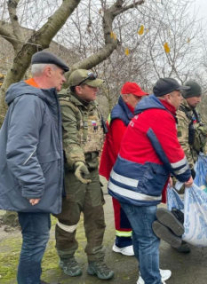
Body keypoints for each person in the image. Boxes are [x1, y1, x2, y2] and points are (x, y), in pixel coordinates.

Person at [108, 77, 193, 284]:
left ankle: (147, 273)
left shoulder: (146, 112)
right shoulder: (159, 115)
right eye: (179, 94)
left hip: (126, 185)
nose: (181, 98)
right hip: (138, 188)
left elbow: (153, 151)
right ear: (168, 96)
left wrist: (168, 178)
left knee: (140, 235)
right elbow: (172, 151)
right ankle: (150, 279)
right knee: (149, 238)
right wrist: (186, 176)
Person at [0, 51, 68, 284]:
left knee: (37, 238)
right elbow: (20, 148)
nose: (64, 79)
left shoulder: (37, 99)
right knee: (36, 240)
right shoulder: (30, 100)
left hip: (35, 188)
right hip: (32, 190)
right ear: (48, 71)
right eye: (61, 73)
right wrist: (33, 186)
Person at [54, 69, 114, 280]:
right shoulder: (64, 106)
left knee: (96, 217)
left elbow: (101, 135)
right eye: (92, 86)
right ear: (78, 88)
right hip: (72, 172)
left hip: (92, 170)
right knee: (68, 219)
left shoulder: (93, 106)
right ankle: (66, 256)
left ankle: (96, 260)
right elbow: (69, 137)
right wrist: (78, 161)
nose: (96, 89)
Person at [99, 82, 148, 257]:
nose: (140, 100)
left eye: (142, 97)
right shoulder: (119, 116)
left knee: (127, 203)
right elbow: (122, 149)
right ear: (126, 96)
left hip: (125, 167)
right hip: (120, 169)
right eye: (137, 97)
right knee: (121, 204)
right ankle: (121, 242)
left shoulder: (129, 112)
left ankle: (127, 239)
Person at [152, 167, 207, 248]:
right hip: (197, 210)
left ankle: (174, 225)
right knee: (182, 211)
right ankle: (174, 223)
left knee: (185, 216)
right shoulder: (203, 188)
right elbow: (195, 197)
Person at [175, 80, 207, 253]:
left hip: (194, 162)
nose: (199, 100)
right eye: (197, 96)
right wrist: (188, 169)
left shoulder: (193, 112)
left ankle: (190, 233)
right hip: (183, 168)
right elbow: (181, 145)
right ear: (188, 96)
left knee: (190, 203)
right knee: (180, 205)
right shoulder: (180, 115)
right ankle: (178, 239)